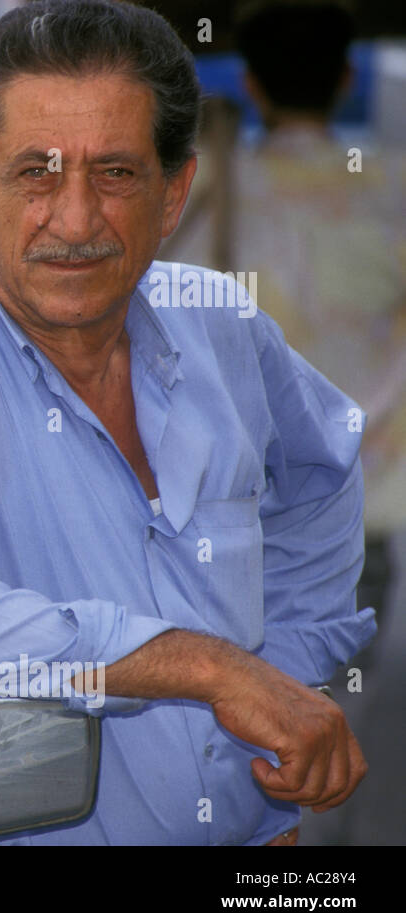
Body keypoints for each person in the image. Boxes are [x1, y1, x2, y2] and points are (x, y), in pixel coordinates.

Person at [0, 0, 373, 845]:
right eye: (36, 172)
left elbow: (324, 479)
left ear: (174, 193)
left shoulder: (220, 325)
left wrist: (275, 686)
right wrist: (209, 670)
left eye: (115, 174)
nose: (75, 221)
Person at [169, 1, 406, 649]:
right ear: (345, 81)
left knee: (237, 668)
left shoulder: (207, 184)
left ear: (249, 84)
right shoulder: (393, 186)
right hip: (364, 481)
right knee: (334, 671)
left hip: (237, 483)